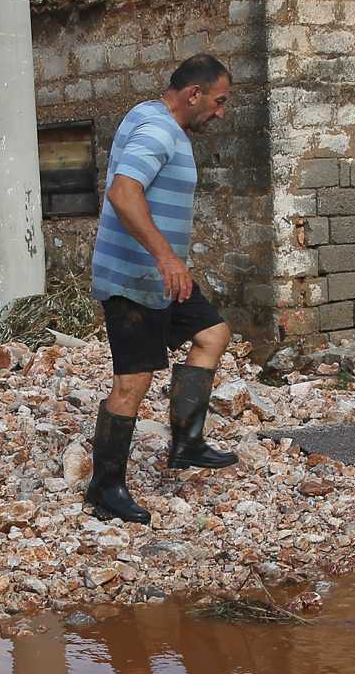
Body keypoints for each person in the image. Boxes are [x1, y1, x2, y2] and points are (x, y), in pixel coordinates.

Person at [82, 54, 239, 525]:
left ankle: (186, 443)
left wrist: (169, 264)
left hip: (163, 278)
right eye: (219, 101)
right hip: (136, 278)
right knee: (132, 382)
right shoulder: (158, 131)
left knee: (213, 334)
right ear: (194, 94)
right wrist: (166, 255)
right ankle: (105, 487)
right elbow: (123, 191)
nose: (220, 112)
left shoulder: (148, 117)